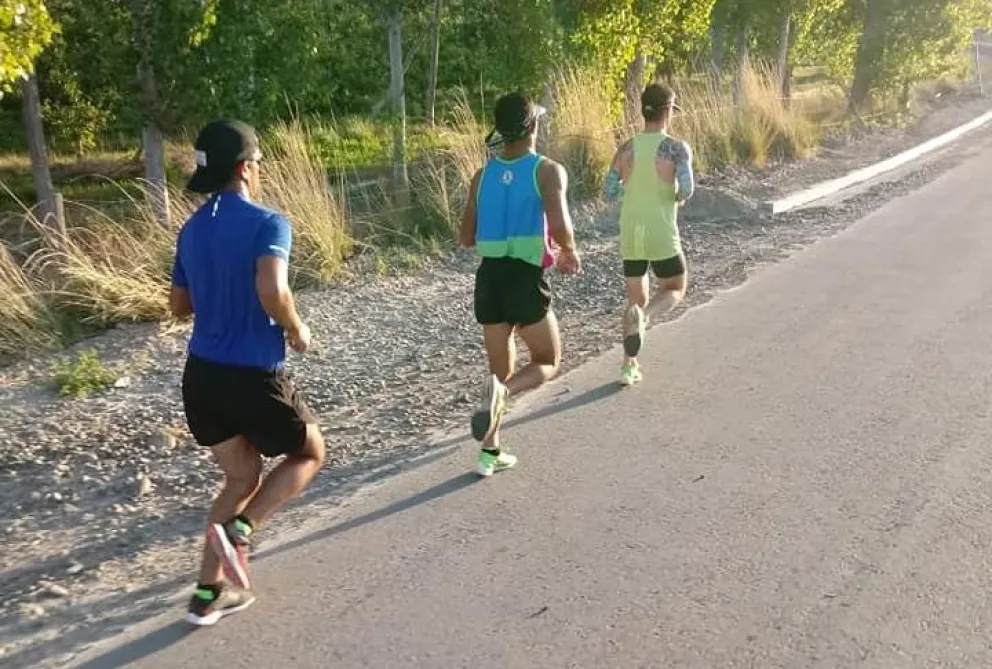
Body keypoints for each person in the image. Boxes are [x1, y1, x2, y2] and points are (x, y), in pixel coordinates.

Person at [170, 120, 326, 626]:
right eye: (257, 164)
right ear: (244, 168)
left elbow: (178, 305)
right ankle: (242, 530)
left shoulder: (190, 229)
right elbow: (273, 291)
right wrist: (296, 327)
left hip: (202, 378)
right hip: (253, 374)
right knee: (309, 453)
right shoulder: (269, 222)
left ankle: (207, 594)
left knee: (241, 476)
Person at [459, 92, 581, 477]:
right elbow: (559, 222)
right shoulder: (547, 170)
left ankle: (489, 453)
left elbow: (465, 236)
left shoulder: (482, 174)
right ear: (532, 126)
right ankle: (501, 398)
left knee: (498, 371)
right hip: (524, 279)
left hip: (489, 278)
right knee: (547, 360)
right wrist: (568, 251)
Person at [603, 82, 696, 386]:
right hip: (660, 227)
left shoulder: (626, 147)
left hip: (631, 228)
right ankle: (646, 319)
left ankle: (629, 367)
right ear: (668, 111)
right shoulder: (676, 148)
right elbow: (687, 189)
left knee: (634, 299)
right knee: (675, 286)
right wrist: (676, 198)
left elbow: (609, 189)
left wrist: (628, 197)